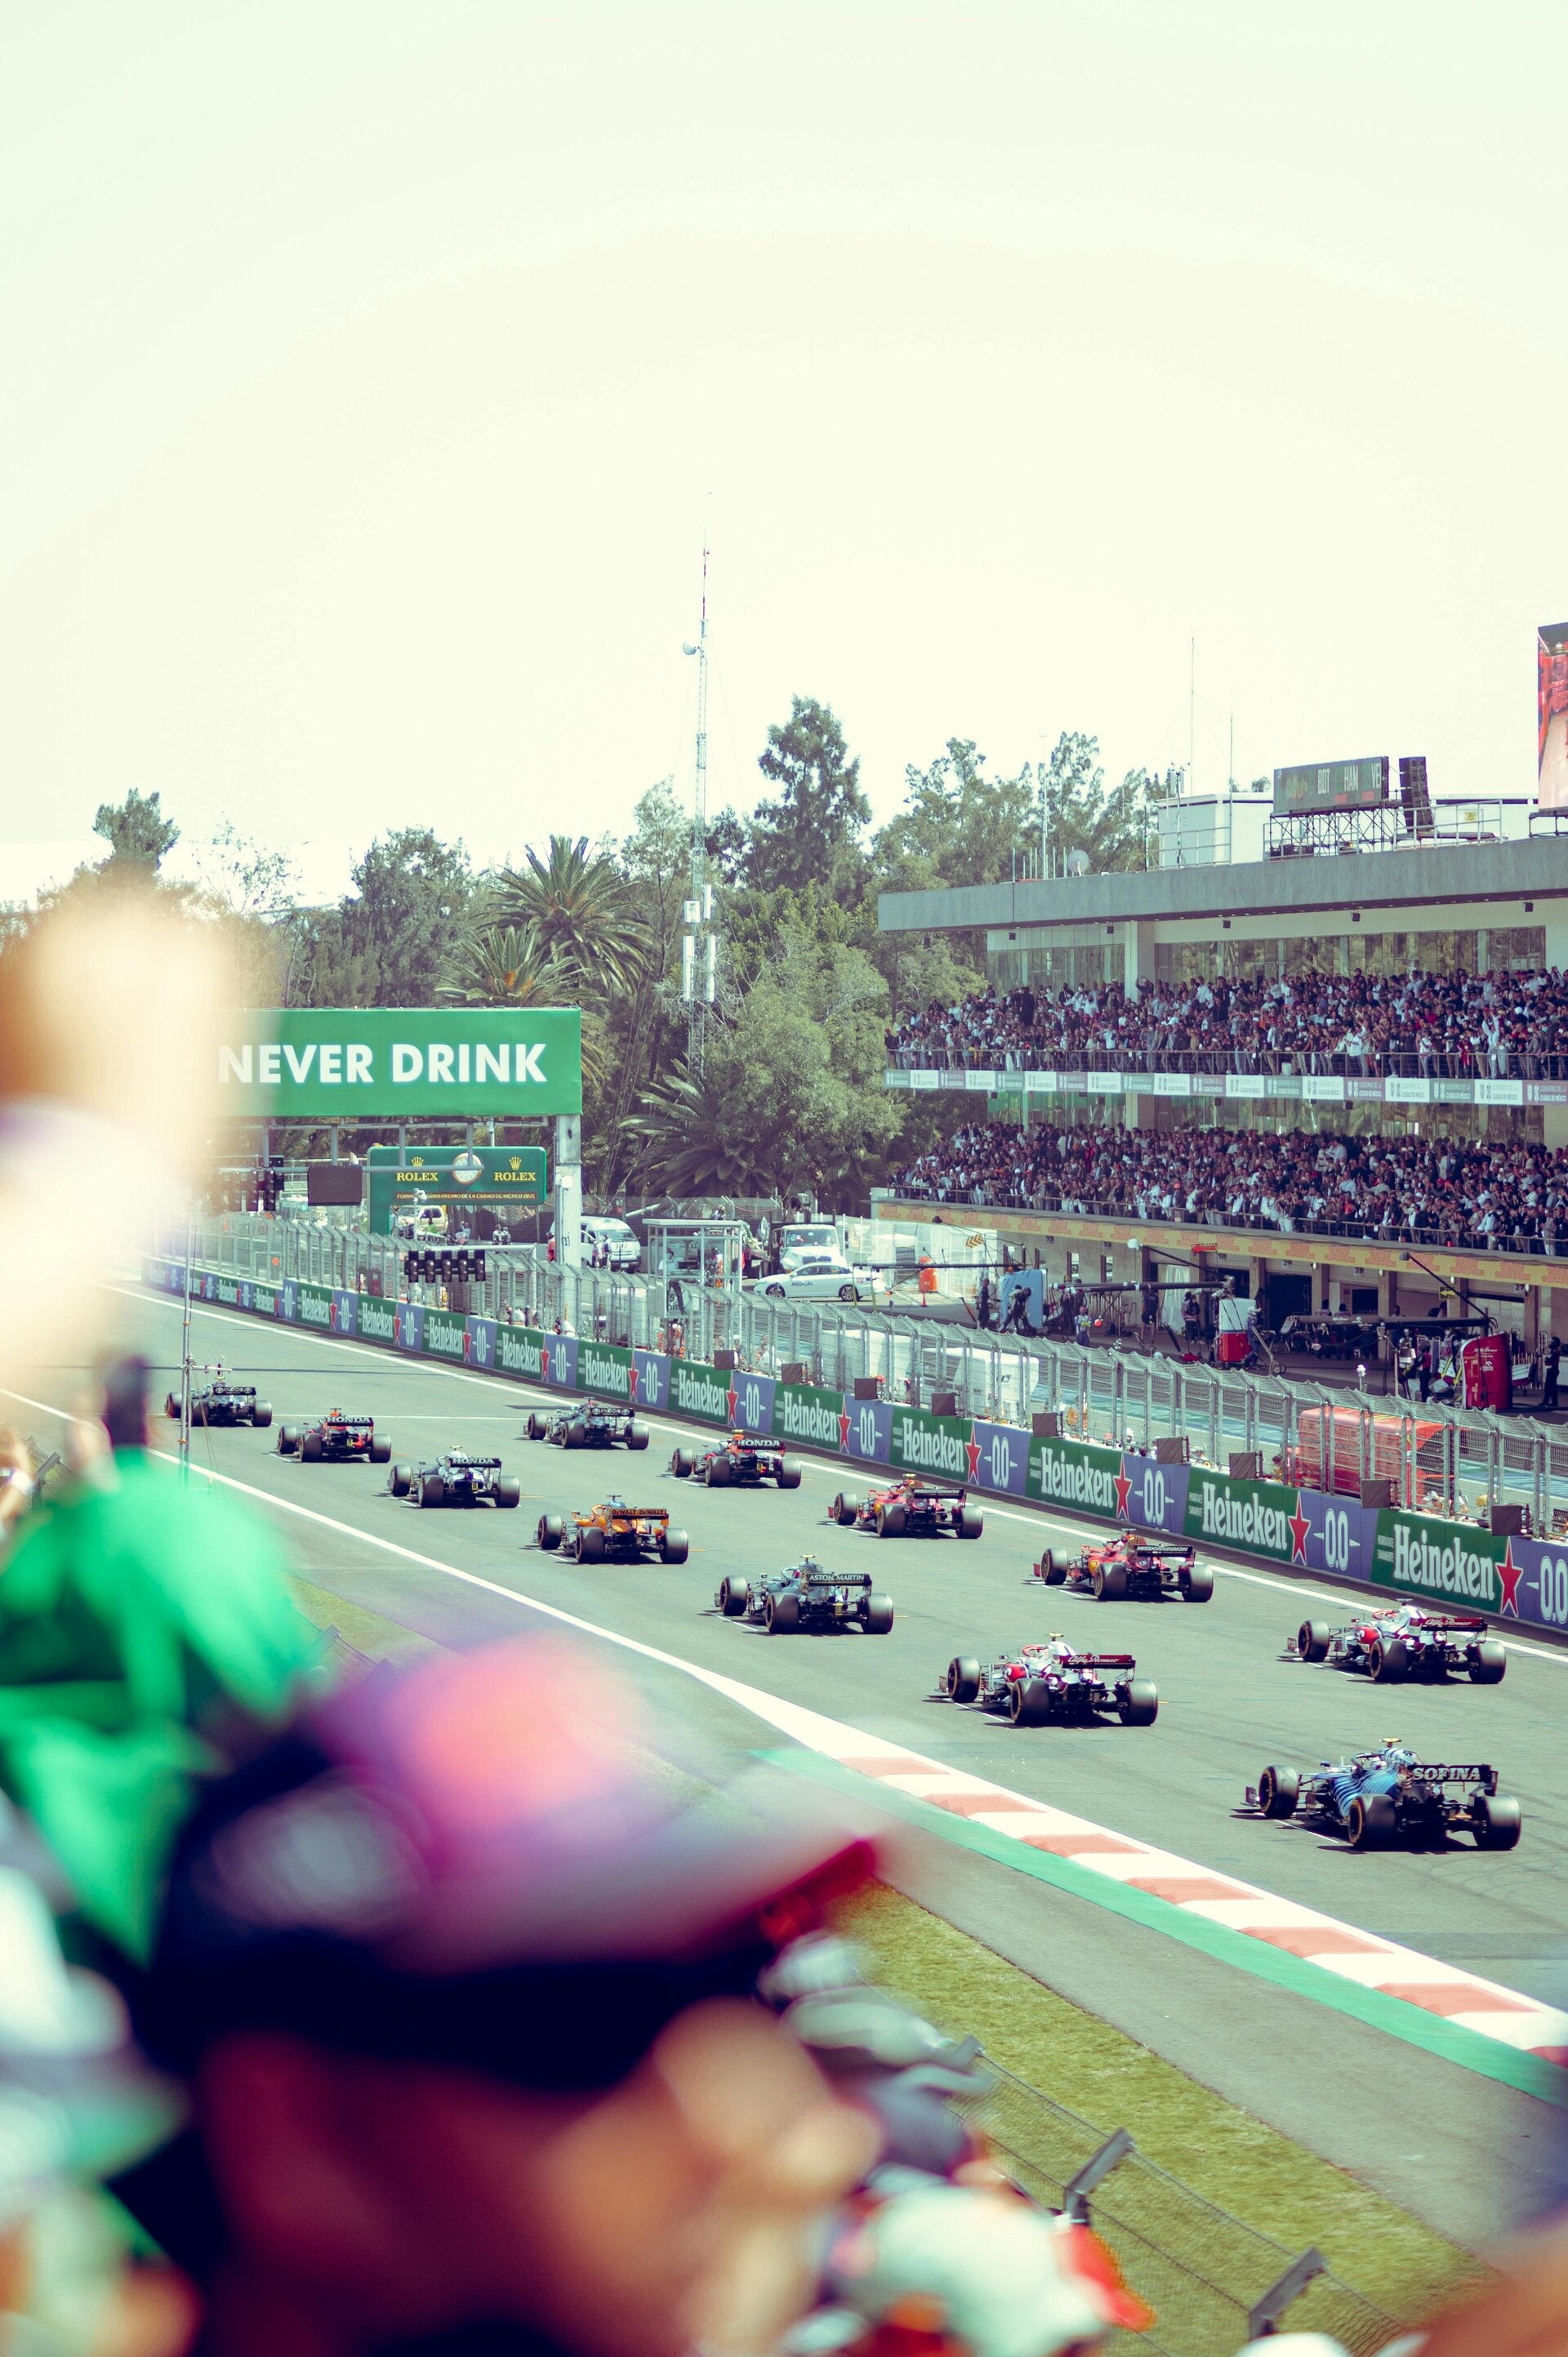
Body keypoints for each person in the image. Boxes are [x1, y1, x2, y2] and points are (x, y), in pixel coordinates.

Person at [1544, 1332, 1561, 1414]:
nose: (1549, 1344)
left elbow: (1550, 1361)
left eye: (1551, 1343)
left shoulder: (1555, 1352)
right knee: (1548, 1386)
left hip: (1553, 1371)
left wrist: (1546, 1359)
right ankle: (1546, 1401)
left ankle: (1554, 1402)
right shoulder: (1552, 1351)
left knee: (1552, 1387)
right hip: (1550, 1370)